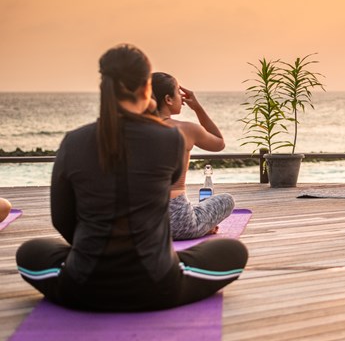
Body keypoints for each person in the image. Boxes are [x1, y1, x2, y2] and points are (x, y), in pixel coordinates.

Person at [15, 44, 248, 312]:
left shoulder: (74, 141)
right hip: (157, 286)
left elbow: (63, 220)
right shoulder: (170, 139)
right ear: (145, 89)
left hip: (83, 286)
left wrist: (92, 253)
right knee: (232, 251)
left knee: (30, 251)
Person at [152, 72, 234, 240]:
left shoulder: (131, 131)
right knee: (227, 200)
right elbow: (219, 143)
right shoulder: (187, 129)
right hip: (180, 225)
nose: (182, 97)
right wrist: (197, 107)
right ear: (168, 99)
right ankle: (203, 225)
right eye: (178, 91)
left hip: (144, 227)